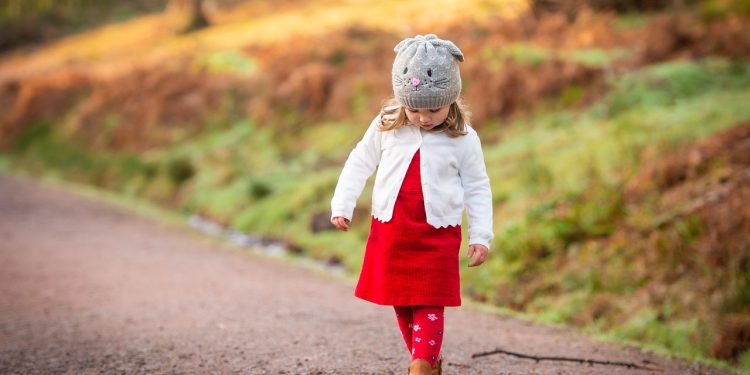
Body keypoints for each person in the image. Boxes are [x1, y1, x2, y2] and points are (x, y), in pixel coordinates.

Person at [330, 34, 493, 375]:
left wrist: (481, 235)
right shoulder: (387, 125)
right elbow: (360, 161)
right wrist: (342, 204)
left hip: (438, 232)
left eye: (433, 108)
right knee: (402, 299)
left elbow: (478, 186)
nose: (423, 117)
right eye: (414, 108)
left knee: (430, 297)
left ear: (451, 98)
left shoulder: (463, 139)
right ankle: (429, 362)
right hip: (393, 228)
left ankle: (421, 365)